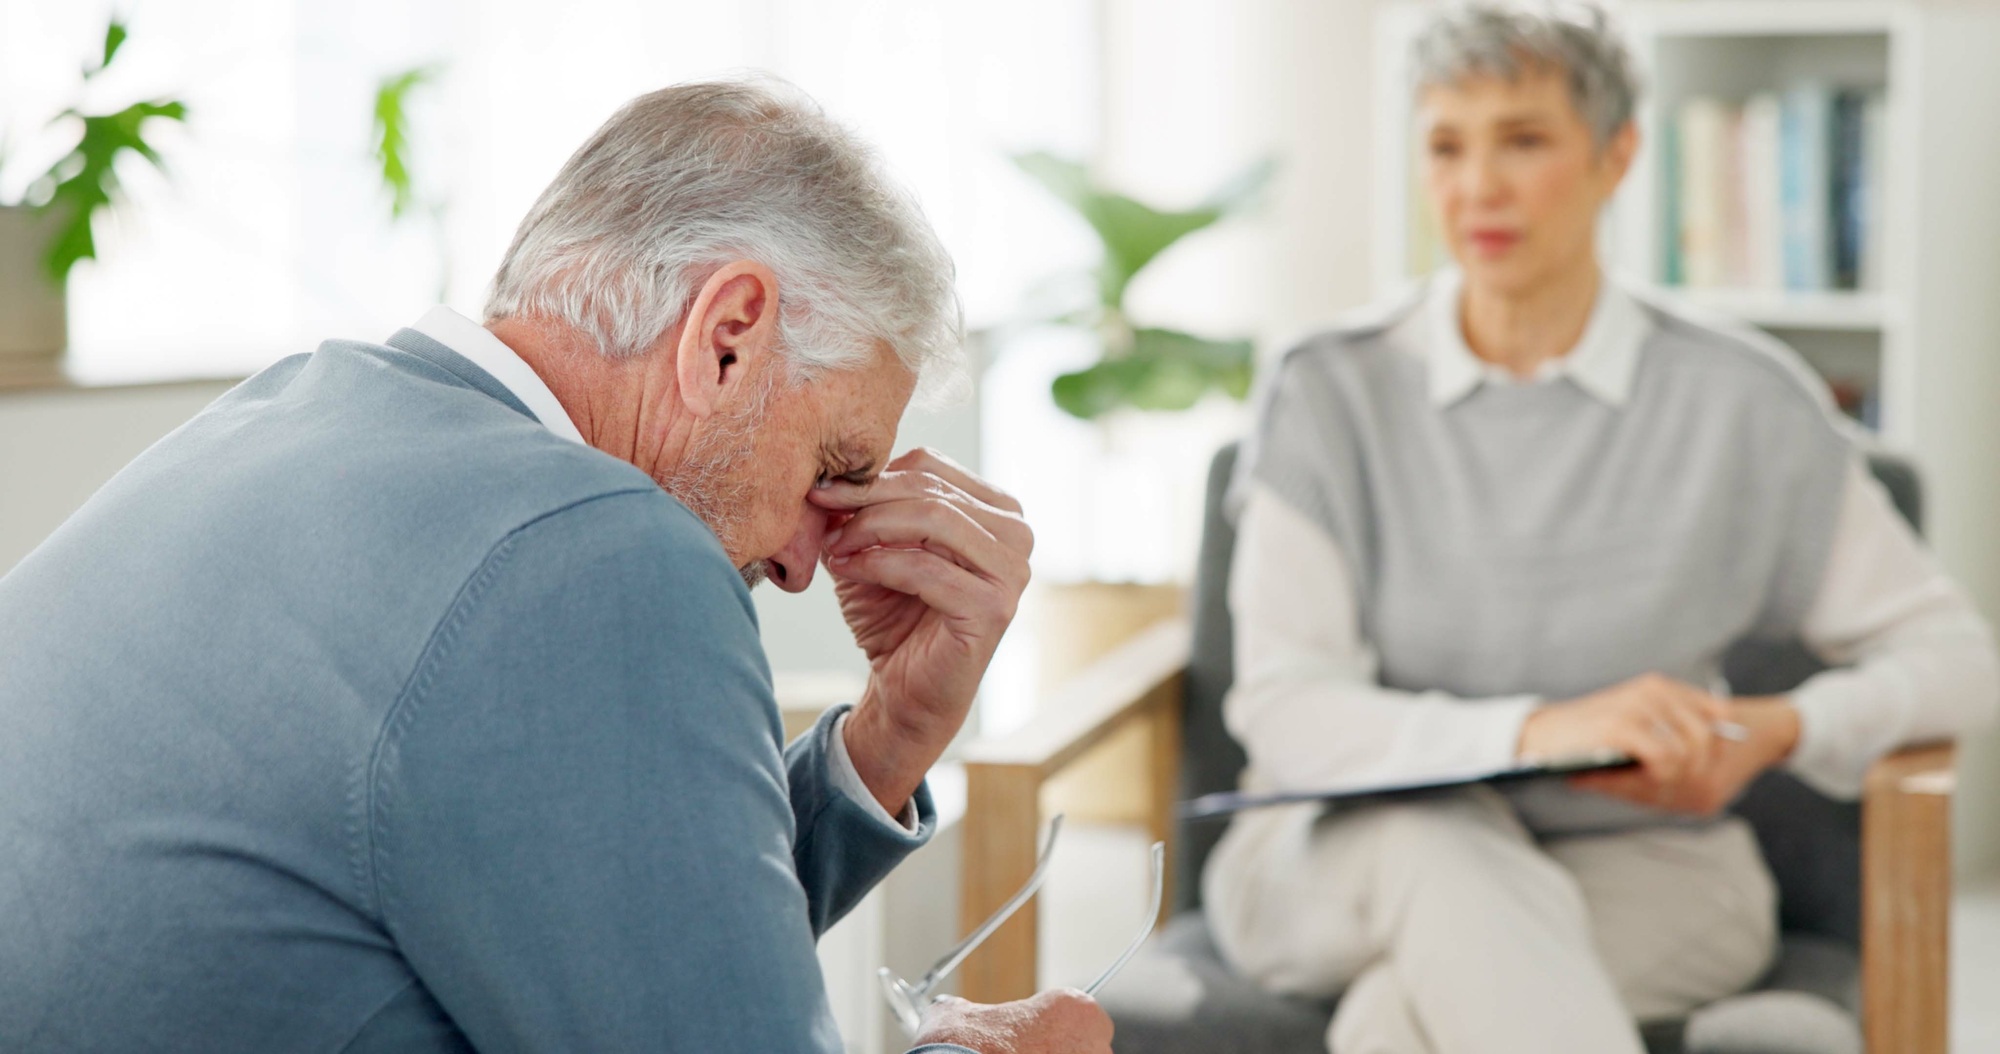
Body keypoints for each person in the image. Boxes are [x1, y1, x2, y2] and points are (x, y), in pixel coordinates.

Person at [0, 79, 1112, 1054]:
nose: (805, 563)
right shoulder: (592, 548)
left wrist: (881, 746)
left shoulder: (289, 413)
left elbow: (631, 956)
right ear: (726, 333)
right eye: (833, 466)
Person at [1203, 4, 1999, 1053]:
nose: (1475, 186)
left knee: (1395, 1022)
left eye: (1521, 139)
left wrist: (1777, 728)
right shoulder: (1326, 390)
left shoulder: (1742, 403)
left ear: (1616, 153)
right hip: (1343, 846)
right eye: (1446, 145)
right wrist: (1542, 730)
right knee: (1431, 848)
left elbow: (1957, 661)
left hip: (1651, 865)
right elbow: (1286, 704)